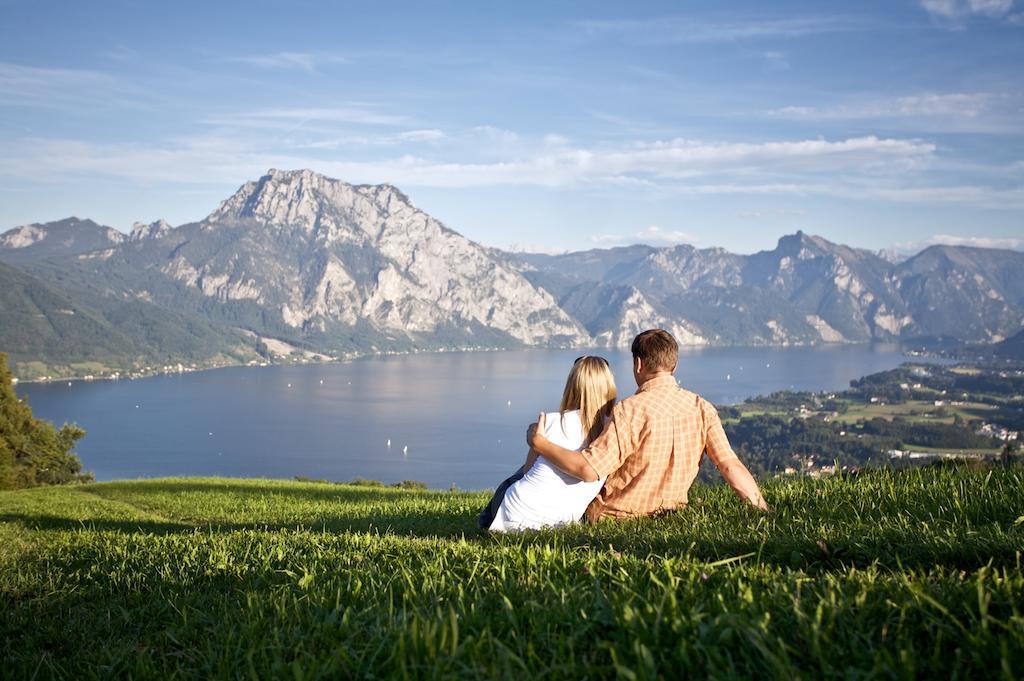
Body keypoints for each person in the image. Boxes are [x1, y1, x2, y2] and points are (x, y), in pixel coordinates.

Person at [526, 329, 768, 522]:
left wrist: (540, 443)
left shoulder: (630, 410)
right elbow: (729, 465)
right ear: (674, 365)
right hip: (671, 514)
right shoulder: (702, 408)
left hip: (616, 517)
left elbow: (589, 470)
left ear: (639, 364)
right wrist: (763, 511)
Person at [478, 356, 617, 532]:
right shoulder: (613, 427)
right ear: (608, 386)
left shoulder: (551, 421)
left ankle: (484, 523)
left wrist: (536, 442)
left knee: (517, 475)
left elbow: (527, 472)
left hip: (515, 514)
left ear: (572, 386)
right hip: (562, 521)